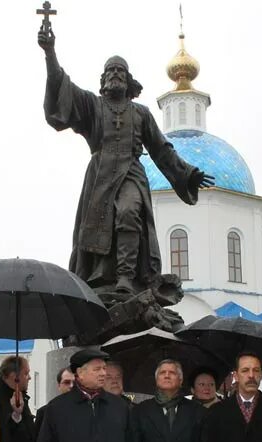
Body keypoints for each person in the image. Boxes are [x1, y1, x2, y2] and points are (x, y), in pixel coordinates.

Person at [38, 24, 212, 298]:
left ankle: (126, 277)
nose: (115, 75)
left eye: (120, 71)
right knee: (100, 225)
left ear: (128, 80)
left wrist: (187, 174)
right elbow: (62, 87)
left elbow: (161, 149)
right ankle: (99, 279)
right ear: (104, 79)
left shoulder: (140, 113)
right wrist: (50, 54)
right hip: (100, 176)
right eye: (111, 71)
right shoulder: (92, 106)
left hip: (131, 171)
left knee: (129, 213)